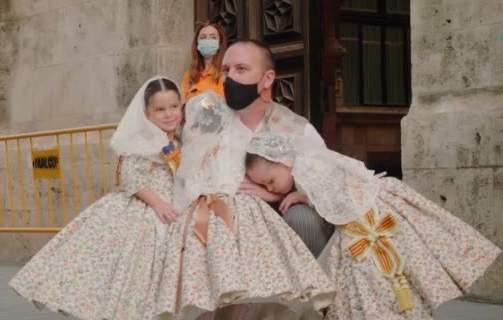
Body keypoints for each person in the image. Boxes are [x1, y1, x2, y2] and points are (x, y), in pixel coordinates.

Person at [245, 133, 502, 320]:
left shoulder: (308, 165)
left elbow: (335, 189)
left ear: (282, 161)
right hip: (356, 222)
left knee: (382, 269)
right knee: (364, 276)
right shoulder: (301, 170)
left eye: (270, 180)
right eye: (266, 187)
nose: (271, 188)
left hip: (370, 214)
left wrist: (303, 197)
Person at [9, 77, 184, 320]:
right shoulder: (141, 141)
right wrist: (157, 204)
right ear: (147, 113)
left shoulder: (180, 139)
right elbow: (130, 178)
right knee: (131, 270)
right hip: (145, 209)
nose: (168, 114)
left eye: (174, 107)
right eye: (160, 109)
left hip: (174, 208)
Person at [151, 90, 335, 320]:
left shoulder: (239, 145)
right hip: (214, 212)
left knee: (245, 272)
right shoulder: (189, 153)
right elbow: (183, 187)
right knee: (211, 270)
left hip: (235, 212)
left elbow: (248, 177)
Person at [221, 39, 334, 257]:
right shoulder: (212, 126)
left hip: (284, 215)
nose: (230, 77)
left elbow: (327, 185)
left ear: (268, 78)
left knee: (302, 218)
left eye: (241, 69)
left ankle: (310, 289)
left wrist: (276, 196)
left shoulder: (297, 129)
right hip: (228, 215)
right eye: (226, 70)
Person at [180, 22, 227, 101]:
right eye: (203, 37)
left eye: (213, 37)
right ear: (197, 43)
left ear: (220, 43)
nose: (207, 41)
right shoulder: (189, 75)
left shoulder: (227, 73)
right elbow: (181, 104)